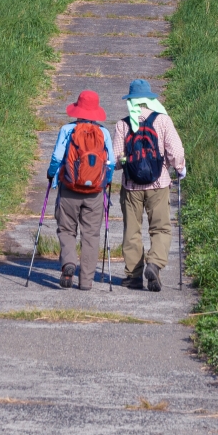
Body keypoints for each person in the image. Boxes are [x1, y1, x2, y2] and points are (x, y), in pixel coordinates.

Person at [111, 78, 186, 292]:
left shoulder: (123, 124)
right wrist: (180, 168)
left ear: (131, 100)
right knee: (161, 227)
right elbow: (175, 152)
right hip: (158, 183)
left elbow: (115, 160)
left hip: (131, 186)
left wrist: (123, 164)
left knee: (132, 230)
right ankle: (154, 263)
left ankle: (133, 276)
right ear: (149, 99)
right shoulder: (163, 120)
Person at [48, 89, 117, 289]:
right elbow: (111, 163)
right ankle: (86, 281)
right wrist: (105, 182)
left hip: (69, 188)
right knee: (91, 235)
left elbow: (57, 158)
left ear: (77, 109)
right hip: (95, 192)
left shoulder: (67, 130)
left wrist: (51, 174)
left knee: (66, 229)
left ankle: (69, 263)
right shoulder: (103, 132)